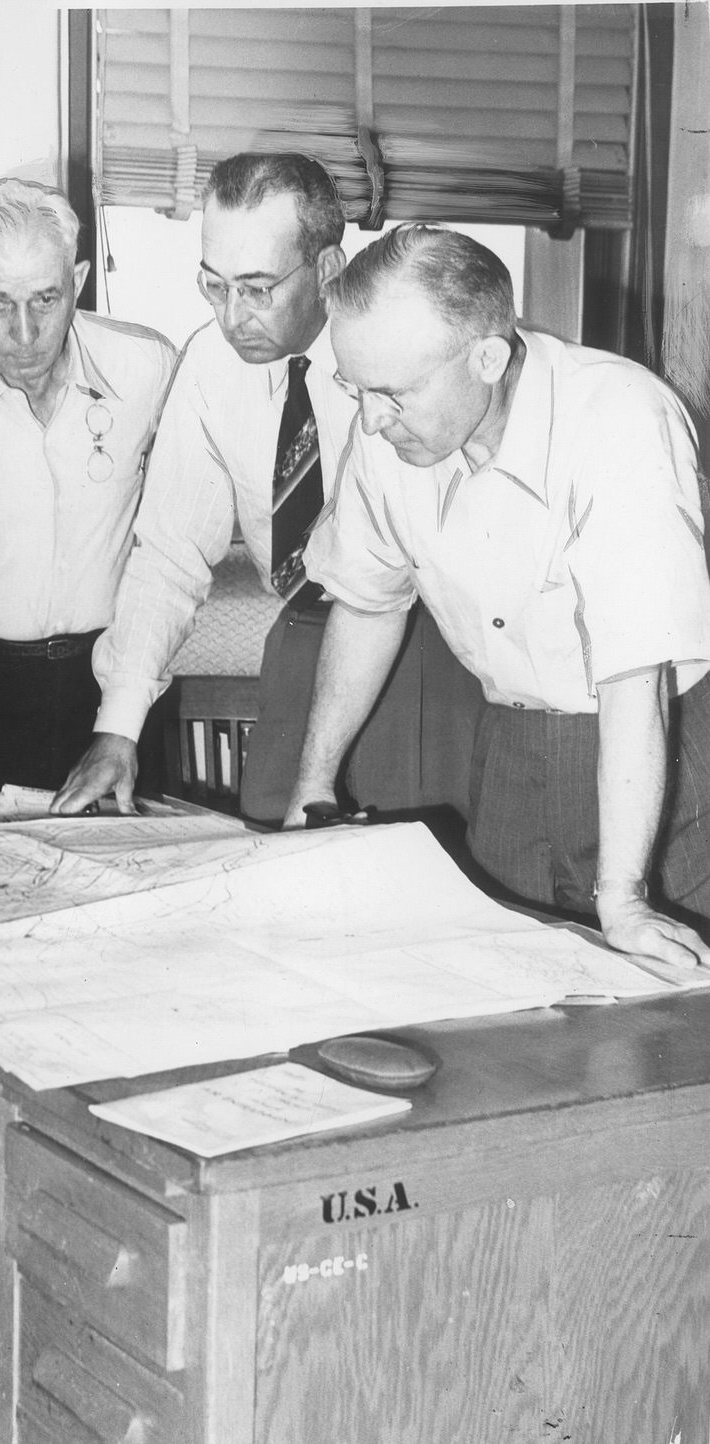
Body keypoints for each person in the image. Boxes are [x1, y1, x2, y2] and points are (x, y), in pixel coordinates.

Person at [284, 223, 710, 964]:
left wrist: (625, 896)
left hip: (652, 755)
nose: (370, 421)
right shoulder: (388, 426)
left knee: (662, 1030)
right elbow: (367, 602)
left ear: (486, 357)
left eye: (391, 393)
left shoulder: (620, 419)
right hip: (508, 751)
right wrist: (311, 786)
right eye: (352, 387)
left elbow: (633, 675)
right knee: (519, 1004)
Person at [55, 153, 481, 819]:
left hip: (420, 644)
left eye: (257, 288)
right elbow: (170, 553)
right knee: (277, 853)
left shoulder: (405, 355)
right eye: (214, 285)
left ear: (328, 270)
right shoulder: (207, 364)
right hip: (305, 632)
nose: (233, 317)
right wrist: (120, 726)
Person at [0, 178, 175, 803]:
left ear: (77, 279)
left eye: (46, 299)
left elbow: (177, 539)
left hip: (118, 691)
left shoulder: (148, 368)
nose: (24, 334)